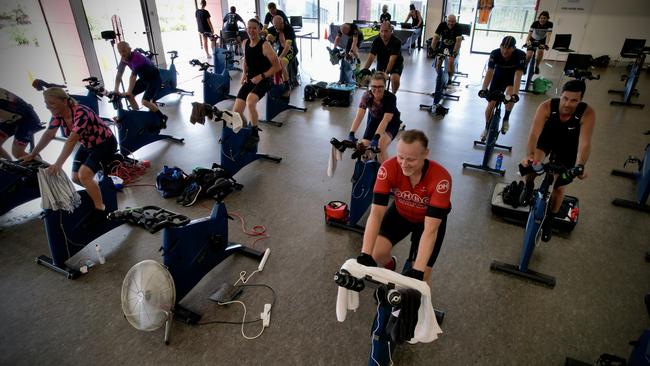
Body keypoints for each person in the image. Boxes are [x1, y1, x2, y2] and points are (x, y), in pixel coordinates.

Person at [356, 129, 452, 283]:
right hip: (400, 214)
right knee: (377, 252)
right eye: (400, 157)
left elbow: (430, 230)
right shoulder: (388, 168)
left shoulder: (441, 179)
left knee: (420, 280)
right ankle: (390, 265)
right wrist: (365, 254)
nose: (404, 164)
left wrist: (418, 273)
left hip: (427, 223)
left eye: (411, 159)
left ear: (425, 153)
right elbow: (376, 214)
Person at [22, 87, 118, 225]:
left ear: (65, 101)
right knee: (75, 177)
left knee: (84, 175)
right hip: (88, 145)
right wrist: (33, 154)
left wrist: (59, 163)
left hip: (104, 144)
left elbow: (72, 140)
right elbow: (49, 134)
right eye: (46, 103)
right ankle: (99, 192)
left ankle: (101, 209)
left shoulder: (81, 112)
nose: (48, 107)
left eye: (52, 103)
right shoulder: (58, 115)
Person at [520, 80, 594, 242]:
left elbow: (585, 142)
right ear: (560, 95)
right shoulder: (546, 106)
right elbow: (534, 134)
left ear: (580, 100)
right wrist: (530, 155)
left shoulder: (587, 113)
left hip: (569, 145)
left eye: (574, 100)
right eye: (565, 98)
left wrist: (580, 165)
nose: (568, 103)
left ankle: (550, 219)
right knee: (533, 166)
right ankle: (529, 186)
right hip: (548, 138)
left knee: (560, 187)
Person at [233, 18, 281, 146]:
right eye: (249, 27)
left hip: (265, 79)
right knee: (236, 112)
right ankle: (243, 131)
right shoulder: (245, 43)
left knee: (250, 101)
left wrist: (262, 76)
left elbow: (277, 66)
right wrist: (244, 73)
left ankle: (254, 134)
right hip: (251, 79)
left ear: (259, 30)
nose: (251, 30)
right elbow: (246, 60)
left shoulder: (265, 45)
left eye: (254, 28)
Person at [478, 35, 525, 140]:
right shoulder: (495, 53)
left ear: (514, 48)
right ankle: (486, 127)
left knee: (509, 95)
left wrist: (515, 94)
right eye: (503, 47)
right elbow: (490, 72)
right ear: (500, 46)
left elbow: (518, 75)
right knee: (491, 105)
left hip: (511, 80)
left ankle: (506, 118)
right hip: (498, 78)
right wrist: (484, 89)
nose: (505, 51)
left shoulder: (520, 55)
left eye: (508, 48)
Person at [348, 72, 401, 163]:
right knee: (364, 147)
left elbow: (385, 120)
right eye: (374, 87)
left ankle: (387, 173)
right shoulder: (366, 96)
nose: (377, 89)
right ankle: (369, 169)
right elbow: (359, 116)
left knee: (381, 146)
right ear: (370, 86)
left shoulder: (390, 98)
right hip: (375, 120)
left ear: (385, 87)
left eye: (380, 87)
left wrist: (376, 138)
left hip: (391, 122)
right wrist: (352, 133)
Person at [112, 41, 168, 127]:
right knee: (129, 96)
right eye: (120, 51)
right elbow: (119, 75)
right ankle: (138, 116)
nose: (122, 54)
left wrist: (128, 91)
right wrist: (116, 89)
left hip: (154, 79)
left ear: (130, 49)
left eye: (124, 51)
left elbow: (133, 77)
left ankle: (162, 117)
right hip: (144, 79)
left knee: (145, 101)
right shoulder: (123, 59)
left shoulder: (136, 57)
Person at [362, 22, 404, 94]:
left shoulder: (397, 42)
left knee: (394, 79)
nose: (383, 34)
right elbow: (371, 56)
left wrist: (386, 73)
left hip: (395, 64)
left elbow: (392, 60)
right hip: (382, 62)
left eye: (386, 31)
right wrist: (365, 70)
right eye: (382, 31)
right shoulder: (376, 41)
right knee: (378, 81)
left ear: (391, 31)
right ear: (379, 31)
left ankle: (393, 95)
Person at [0, 88, 42, 160]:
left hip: (27, 118)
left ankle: (43, 168)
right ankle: (10, 168)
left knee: (17, 153)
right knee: (17, 153)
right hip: (13, 118)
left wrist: (33, 147)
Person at [266, 15, 298, 89]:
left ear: (282, 23)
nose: (275, 27)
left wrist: (279, 57)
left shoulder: (289, 29)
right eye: (274, 25)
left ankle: (287, 84)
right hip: (281, 49)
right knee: (273, 62)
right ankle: (276, 82)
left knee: (281, 63)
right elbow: (265, 31)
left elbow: (287, 48)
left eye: (277, 25)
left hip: (291, 50)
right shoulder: (276, 27)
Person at [430, 14, 463, 81]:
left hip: (453, 46)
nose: (451, 23)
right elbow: (435, 37)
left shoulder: (458, 27)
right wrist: (432, 48)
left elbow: (458, 42)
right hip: (443, 45)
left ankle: (450, 78)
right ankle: (440, 77)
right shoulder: (442, 25)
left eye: (453, 21)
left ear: (455, 21)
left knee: (451, 61)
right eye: (449, 21)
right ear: (446, 20)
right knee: (438, 63)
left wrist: (454, 53)